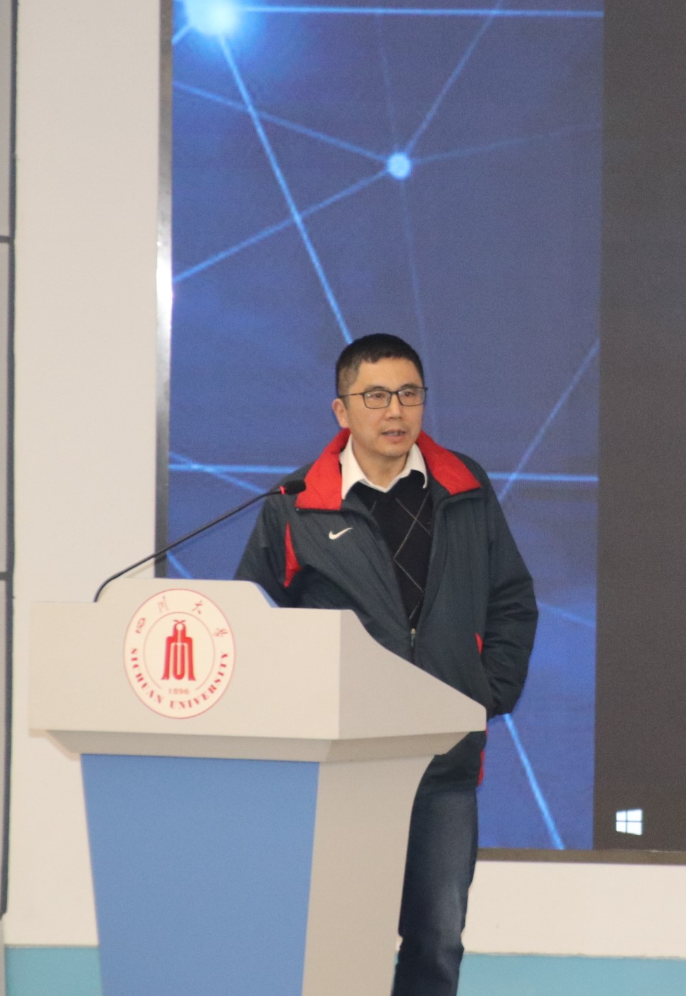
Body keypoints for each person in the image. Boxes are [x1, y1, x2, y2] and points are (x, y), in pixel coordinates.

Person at [235, 333, 537, 996]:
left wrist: (485, 692)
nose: (395, 411)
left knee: (437, 941)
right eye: (375, 396)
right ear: (341, 410)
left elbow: (511, 597)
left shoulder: (464, 487)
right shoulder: (296, 504)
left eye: (408, 394)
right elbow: (254, 621)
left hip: (443, 761)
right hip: (344, 766)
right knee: (345, 940)